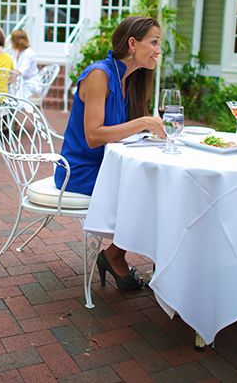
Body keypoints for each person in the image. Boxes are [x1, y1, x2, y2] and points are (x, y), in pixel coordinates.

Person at [55, 16, 165, 291]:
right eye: (154, 42)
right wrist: (143, 123)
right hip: (80, 170)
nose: (158, 50)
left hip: (108, 166)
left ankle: (121, 256)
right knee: (153, 193)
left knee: (160, 187)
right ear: (132, 43)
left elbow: (121, 133)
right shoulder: (99, 75)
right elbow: (94, 136)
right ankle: (116, 256)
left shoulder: (129, 80)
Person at [6, 29, 41, 97]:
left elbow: (22, 71)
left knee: (14, 89)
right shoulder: (15, 52)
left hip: (30, 83)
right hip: (18, 81)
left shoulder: (29, 53)